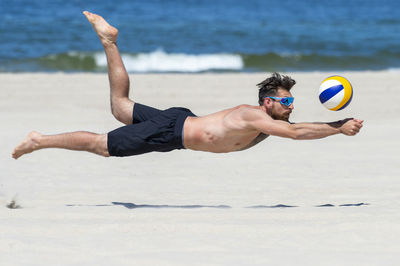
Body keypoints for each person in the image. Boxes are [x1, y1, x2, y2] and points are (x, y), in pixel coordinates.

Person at [11, 11, 363, 160]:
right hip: (172, 132)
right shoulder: (253, 116)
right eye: (284, 101)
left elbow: (297, 127)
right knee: (103, 145)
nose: (290, 106)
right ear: (266, 103)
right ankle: (39, 140)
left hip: (179, 123)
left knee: (120, 105)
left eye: (291, 101)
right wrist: (338, 126)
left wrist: (334, 126)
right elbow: (298, 133)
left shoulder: (265, 124)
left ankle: (109, 42)